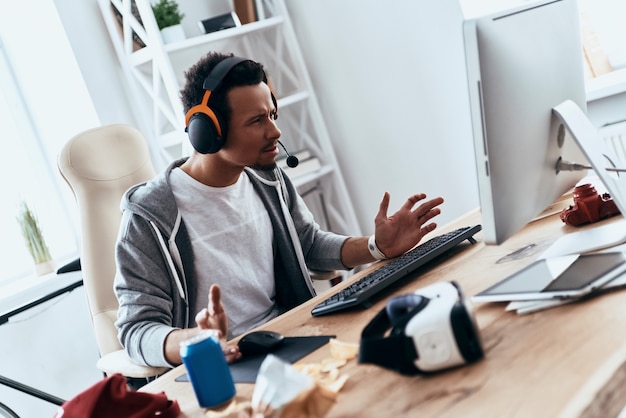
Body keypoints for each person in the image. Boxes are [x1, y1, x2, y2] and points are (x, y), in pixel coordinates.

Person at [114, 51, 444, 369]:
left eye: (272, 115)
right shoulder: (150, 217)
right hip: (221, 366)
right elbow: (137, 331)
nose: (275, 131)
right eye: (257, 120)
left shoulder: (267, 179)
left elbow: (310, 246)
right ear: (207, 131)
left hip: (289, 339)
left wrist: (376, 246)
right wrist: (194, 340)